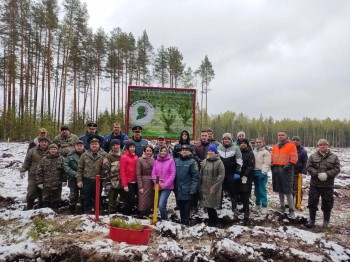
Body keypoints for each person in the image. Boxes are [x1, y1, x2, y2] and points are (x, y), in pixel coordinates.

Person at [306, 139, 340, 228]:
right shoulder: (313, 156)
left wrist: (327, 174)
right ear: (318, 146)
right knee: (312, 202)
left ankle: (326, 222)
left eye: (324, 144)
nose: (322, 146)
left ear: (327, 145)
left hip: (328, 185)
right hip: (315, 184)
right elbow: (309, 167)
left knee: (327, 204)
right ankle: (311, 220)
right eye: (320, 145)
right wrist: (316, 174)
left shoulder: (334, 157)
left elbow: (337, 169)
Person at [76, 135, 107, 214]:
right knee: (86, 198)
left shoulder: (104, 155)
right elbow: (79, 169)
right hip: (87, 180)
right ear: (89, 145)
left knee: (98, 197)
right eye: (92, 144)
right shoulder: (84, 155)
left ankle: (98, 212)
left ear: (99, 144)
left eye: (96, 143)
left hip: (99, 180)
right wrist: (79, 180)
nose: (94, 145)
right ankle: (87, 213)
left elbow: (107, 168)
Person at [271, 131, 298, 218]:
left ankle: (291, 209)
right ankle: (282, 206)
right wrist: (272, 165)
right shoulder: (275, 146)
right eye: (279, 135)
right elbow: (272, 157)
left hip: (286, 171)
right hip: (276, 170)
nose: (280, 136)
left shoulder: (291, 145)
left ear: (286, 136)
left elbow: (294, 159)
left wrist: (285, 167)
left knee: (288, 190)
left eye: (282, 135)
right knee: (280, 189)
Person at [20, 137, 50, 210]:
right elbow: (27, 161)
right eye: (42, 142)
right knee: (31, 193)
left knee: (43, 194)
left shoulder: (51, 151)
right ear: (39, 143)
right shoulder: (32, 151)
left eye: (46, 142)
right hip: (33, 175)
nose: (44, 143)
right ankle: (29, 208)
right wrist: (23, 170)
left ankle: (40, 209)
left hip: (46, 176)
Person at [200, 145, 225, 227]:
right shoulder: (204, 161)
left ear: (215, 152)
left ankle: (216, 222)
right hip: (205, 186)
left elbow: (221, 175)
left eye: (212, 151)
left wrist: (215, 187)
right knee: (207, 205)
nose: (210, 152)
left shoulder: (219, 162)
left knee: (211, 206)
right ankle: (211, 222)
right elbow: (201, 173)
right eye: (209, 151)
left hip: (214, 187)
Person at [174, 144, 199, 225]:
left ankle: (186, 223)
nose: (184, 151)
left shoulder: (192, 162)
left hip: (187, 189)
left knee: (187, 208)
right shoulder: (176, 161)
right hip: (178, 188)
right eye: (183, 150)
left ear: (190, 152)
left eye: (186, 150)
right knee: (180, 207)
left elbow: (195, 177)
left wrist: (193, 188)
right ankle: (182, 222)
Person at [217, 133, 243, 211]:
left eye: (228, 139)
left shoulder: (236, 148)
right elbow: (216, 160)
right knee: (220, 189)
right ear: (222, 140)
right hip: (221, 172)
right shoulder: (219, 147)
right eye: (225, 139)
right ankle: (219, 205)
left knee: (233, 190)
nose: (226, 140)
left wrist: (238, 172)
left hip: (231, 172)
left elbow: (239, 160)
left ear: (231, 140)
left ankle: (234, 207)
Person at [36, 143, 65, 210]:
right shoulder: (44, 159)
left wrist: (64, 180)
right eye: (51, 149)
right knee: (46, 198)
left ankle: (55, 211)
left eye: (54, 149)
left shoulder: (62, 159)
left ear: (57, 150)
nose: (53, 150)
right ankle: (45, 212)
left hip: (57, 183)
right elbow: (38, 171)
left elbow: (65, 171)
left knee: (56, 198)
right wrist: (39, 182)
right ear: (49, 150)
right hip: (46, 183)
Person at [151, 146, 176, 220]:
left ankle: (165, 221)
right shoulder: (156, 161)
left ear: (167, 152)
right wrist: (157, 183)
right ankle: (164, 220)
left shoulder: (171, 161)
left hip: (167, 187)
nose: (163, 152)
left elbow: (172, 174)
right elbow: (153, 174)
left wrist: (165, 184)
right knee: (159, 205)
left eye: (165, 151)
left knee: (161, 205)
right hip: (157, 186)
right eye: (162, 151)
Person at [236, 139, 255, 225]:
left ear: (247, 145)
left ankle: (247, 210)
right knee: (240, 191)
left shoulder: (250, 153)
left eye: (244, 143)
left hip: (246, 177)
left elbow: (251, 165)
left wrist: (245, 175)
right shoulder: (238, 152)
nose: (243, 145)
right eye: (241, 143)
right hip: (238, 175)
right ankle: (244, 207)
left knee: (245, 192)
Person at [64, 140, 85, 214]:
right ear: (74, 147)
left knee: (84, 195)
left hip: (84, 179)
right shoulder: (70, 156)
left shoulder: (87, 155)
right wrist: (75, 174)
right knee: (73, 196)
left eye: (81, 146)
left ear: (83, 146)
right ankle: (71, 211)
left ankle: (83, 211)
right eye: (77, 146)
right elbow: (66, 166)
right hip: (73, 179)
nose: (79, 147)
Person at [102, 139, 123, 214]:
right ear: (111, 147)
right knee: (112, 198)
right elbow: (106, 169)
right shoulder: (108, 156)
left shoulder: (124, 154)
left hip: (123, 180)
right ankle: (111, 212)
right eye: (113, 145)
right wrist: (109, 179)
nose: (115, 146)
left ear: (119, 145)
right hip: (113, 180)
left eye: (117, 145)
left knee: (124, 198)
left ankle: (124, 212)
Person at [253, 137, 271, 214]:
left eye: (260, 142)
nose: (258, 144)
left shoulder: (265, 152)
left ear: (263, 143)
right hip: (254, 172)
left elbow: (267, 163)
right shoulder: (254, 151)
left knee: (262, 190)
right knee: (256, 190)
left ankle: (264, 205)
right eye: (257, 142)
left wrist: (263, 172)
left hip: (261, 173)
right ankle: (257, 204)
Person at [120, 140, 139, 215]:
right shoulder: (124, 157)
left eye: (133, 147)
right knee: (131, 199)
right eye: (130, 147)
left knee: (132, 199)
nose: (132, 148)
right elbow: (122, 171)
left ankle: (130, 212)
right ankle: (126, 213)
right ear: (127, 148)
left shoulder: (136, 157)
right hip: (128, 182)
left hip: (135, 181)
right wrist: (124, 184)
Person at [136, 145, 155, 217]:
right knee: (142, 197)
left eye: (150, 151)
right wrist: (140, 186)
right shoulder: (140, 159)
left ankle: (148, 212)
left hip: (151, 181)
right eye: (147, 151)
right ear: (144, 151)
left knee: (150, 198)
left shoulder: (153, 160)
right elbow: (138, 173)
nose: (148, 152)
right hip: (143, 180)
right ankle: (141, 213)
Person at [291, 136, 308, 209]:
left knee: (298, 190)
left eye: (296, 140)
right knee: (290, 190)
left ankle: (298, 205)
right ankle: (290, 204)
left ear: (299, 142)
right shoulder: (289, 150)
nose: (295, 141)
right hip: (289, 173)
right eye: (293, 140)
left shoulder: (303, 151)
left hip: (298, 174)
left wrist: (303, 172)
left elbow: (305, 162)